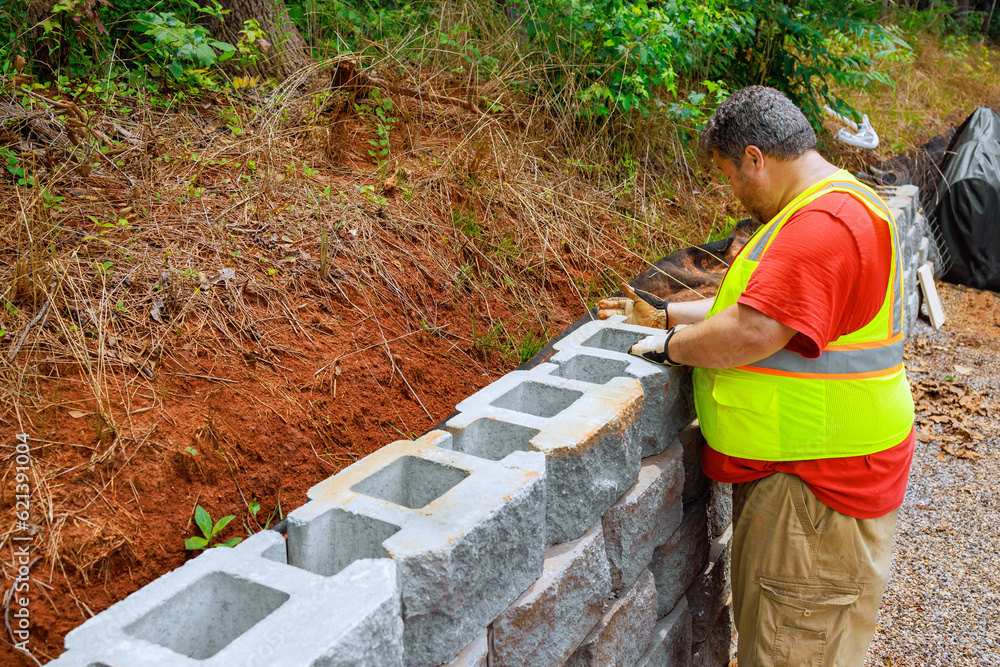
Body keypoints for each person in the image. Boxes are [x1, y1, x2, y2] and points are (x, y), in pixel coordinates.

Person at [598, 86, 915, 666]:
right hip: (809, 474)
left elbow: (752, 332)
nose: (732, 191)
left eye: (729, 174)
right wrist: (666, 310)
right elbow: (757, 306)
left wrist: (670, 345)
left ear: (754, 158)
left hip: (818, 488)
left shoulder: (824, 224)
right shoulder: (829, 206)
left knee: (793, 648)